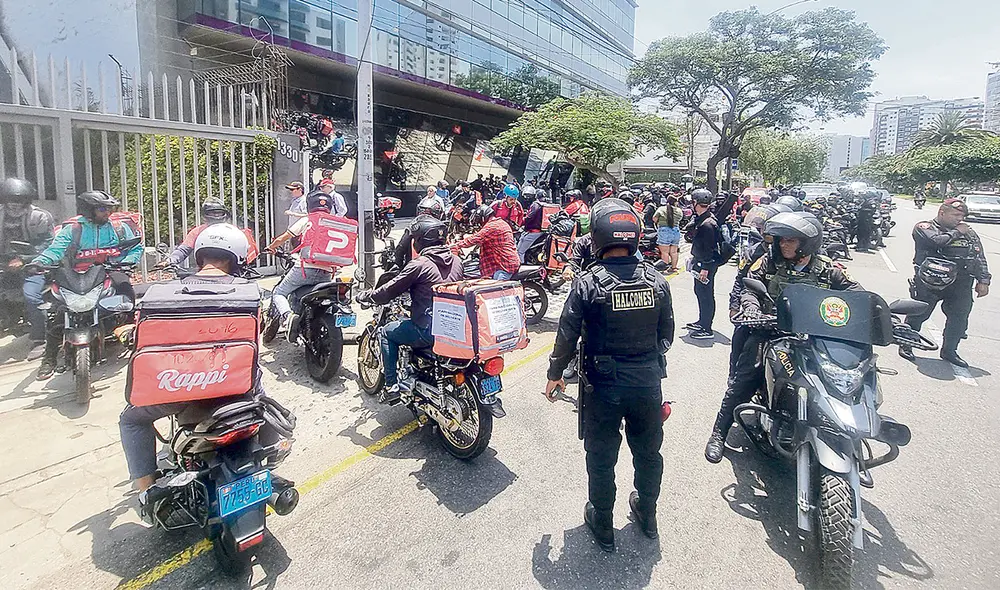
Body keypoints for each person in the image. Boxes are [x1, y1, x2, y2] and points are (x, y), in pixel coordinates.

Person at [117, 224, 280, 522]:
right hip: (237, 390)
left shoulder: (160, 293)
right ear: (239, 257)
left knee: (131, 419)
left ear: (199, 255)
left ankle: (146, 492)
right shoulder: (252, 293)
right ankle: (271, 452)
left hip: (179, 392)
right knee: (260, 393)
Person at [543, 198, 674, 552]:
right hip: (648, 383)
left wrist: (555, 375)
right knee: (649, 453)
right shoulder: (657, 280)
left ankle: (603, 522)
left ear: (597, 236)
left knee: (602, 456)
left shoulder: (587, 283)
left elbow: (566, 334)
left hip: (603, 386)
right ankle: (647, 514)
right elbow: (667, 336)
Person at [704, 211, 859, 463]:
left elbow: (856, 294)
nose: (783, 244)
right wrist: (751, 307)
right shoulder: (768, 262)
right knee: (744, 380)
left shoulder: (829, 269)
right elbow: (749, 285)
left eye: (791, 240)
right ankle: (718, 433)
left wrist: (880, 317)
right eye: (781, 240)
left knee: (842, 380)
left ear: (807, 243)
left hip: (815, 338)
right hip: (771, 331)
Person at [30, 191, 143, 379]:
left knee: (126, 290)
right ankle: (49, 359)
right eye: (101, 209)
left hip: (108, 269)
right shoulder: (73, 229)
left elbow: (134, 247)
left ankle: (132, 336)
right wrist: (39, 262)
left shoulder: (118, 227)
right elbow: (55, 250)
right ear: (88, 210)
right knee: (57, 313)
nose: (107, 213)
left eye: (109, 209)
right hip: (75, 274)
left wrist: (127, 262)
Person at [358, 217, 463, 403]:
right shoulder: (456, 261)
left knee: (386, 332)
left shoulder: (419, 264)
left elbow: (388, 291)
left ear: (420, 241)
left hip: (427, 331)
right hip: (453, 328)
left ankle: (391, 386)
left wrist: (367, 296)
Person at [900, 199, 990, 368]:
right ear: (942, 212)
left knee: (959, 318)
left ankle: (949, 351)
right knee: (918, 314)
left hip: (961, 282)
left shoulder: (968, 232)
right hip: (929, 281)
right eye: (956, 215)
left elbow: (978, 255)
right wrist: (957, 232)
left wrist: (983, 280)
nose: (959, 219)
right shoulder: (924, 227)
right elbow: (936, 241)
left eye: (962, 216)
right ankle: (907, 344)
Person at [263, 192, 335, 337]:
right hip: (327, 272)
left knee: (279, 292)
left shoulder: (308, 220)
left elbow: (285, 237)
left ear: (310, 206)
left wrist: (271, 246)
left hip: (305, 269)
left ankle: (288, 317)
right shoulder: (335, 222)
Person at [0, 178, 55, 359]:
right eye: (10, 200)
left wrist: (23, 260)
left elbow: (48, 243)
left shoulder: (39, 217)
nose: (14, 205)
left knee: (32, 296)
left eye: (19, 201)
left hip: (33, 264)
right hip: (3, 265)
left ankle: (39, 340)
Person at [684, 189, 722, 340]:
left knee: (706, 295)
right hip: (700, 262)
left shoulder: (708, 224)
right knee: (700, 292)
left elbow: (710, 248)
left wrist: (705, 268)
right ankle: (702, 322)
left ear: (695, 203)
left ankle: (706, 328)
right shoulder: (703, 219)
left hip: (705, 264)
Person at [452, 204, 520, 280]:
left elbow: (475, 239)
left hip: (505, 266)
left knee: (493, 289)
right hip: (504, 262)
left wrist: (456, 245)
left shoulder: (492, 226)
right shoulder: (501, 222)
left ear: (483, 218)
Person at [158, 199, 232, 267]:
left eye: (219, 213)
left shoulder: (232, 231)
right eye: (212, 213)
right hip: (204, 272)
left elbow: (243, 246)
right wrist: (169, 261)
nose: (216, 215)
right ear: (205, 215)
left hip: (231, 270)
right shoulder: (197, 232)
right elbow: (183, 249)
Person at [652, 196, 682, 272]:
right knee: (674, 252)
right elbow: (680, 218)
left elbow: (654, 218)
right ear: (675, 202)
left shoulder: (661, 209)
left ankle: (664, 268)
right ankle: (674, 268)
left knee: (665, 252)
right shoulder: (679, 210)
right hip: (676, 231)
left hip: (664, 230)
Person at [517, 186, 545, 262]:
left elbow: (529, 217)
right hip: (541, 230)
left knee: (520, 251)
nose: (527, 198)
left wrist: (521, 221)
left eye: (529, 196)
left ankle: (521, 266)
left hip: (534, 231)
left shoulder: (535, 205)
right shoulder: (543, 205)